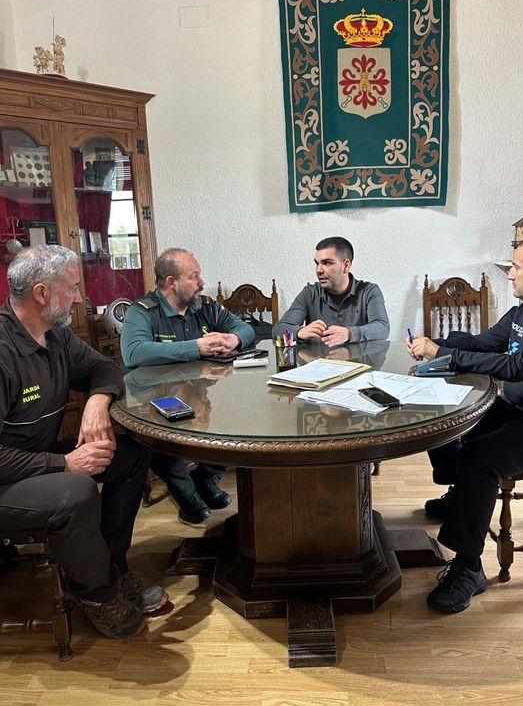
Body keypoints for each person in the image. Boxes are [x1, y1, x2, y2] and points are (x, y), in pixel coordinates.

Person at [0, 245, 167, 639]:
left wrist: (96, 402)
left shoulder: (54, 335)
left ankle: (114, 568)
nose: (79, 298)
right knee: (75, 491)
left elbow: (106, 368)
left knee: (129, 454)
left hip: (32, 460)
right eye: (72, 288)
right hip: (6, 477)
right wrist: (64, 464)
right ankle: (97, 593)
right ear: (41, 293)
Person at [406, 233, 523, 614]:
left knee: (480, 456)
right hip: (522, 411)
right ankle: (463, 496)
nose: (510, 274)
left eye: (516, 267)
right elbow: (484, 344)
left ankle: (469, 567)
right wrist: (436, 344)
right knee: (445, 413)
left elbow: (517, 366)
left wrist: (445, 354)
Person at [121, 248, 255, 524]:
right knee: (162, 431)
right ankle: (185, 492)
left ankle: (206, 477)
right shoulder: (142, 311)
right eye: (194, 277)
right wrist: (195, 347)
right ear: (172, 282)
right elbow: (134, 353)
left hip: (199, 389)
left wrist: (234, 339)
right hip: (156, 396)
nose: (202, 282)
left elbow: (245, 328)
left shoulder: (204, 306)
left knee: (236, 418)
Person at [271, 237, 390, 346]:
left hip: (358, 361)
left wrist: (349, 333)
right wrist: (300, 332)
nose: (319, 270)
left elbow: (382, 328)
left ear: (346, 265)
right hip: (319, 361)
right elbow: (278, 330)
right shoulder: (310, 293)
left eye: (327, 263)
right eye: (317, 263)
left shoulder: (369, 291)